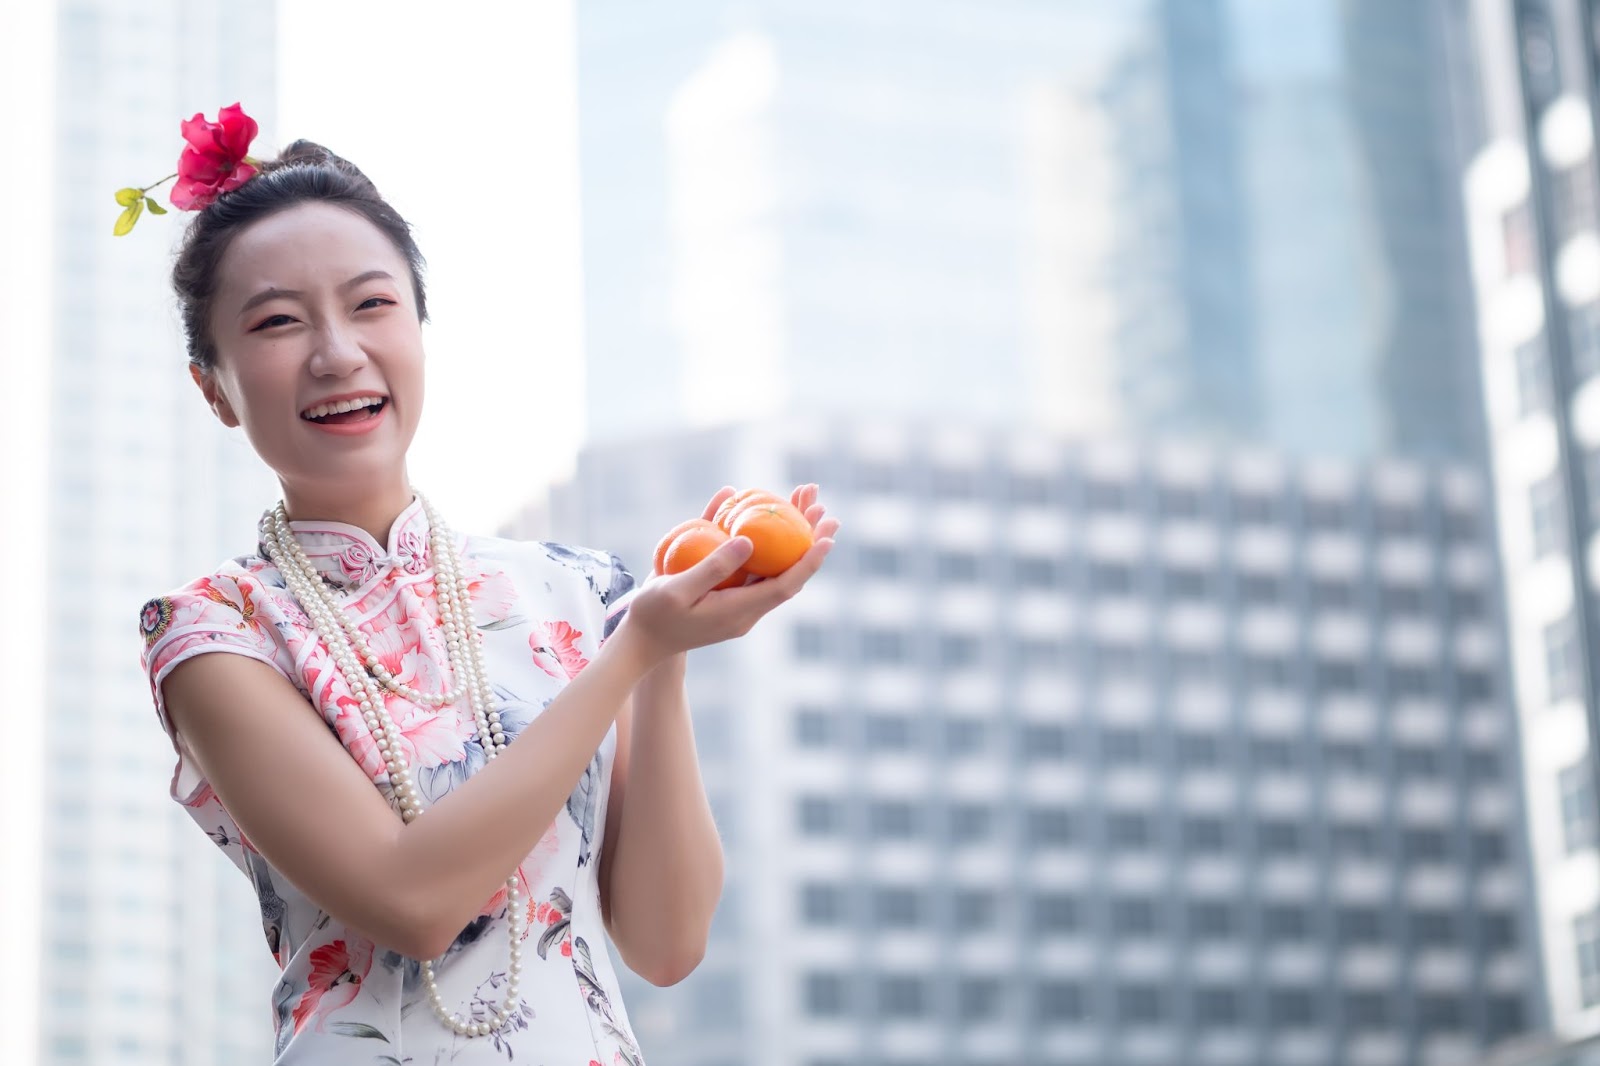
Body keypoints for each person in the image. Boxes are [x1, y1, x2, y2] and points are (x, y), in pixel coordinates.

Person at [134, 131, 837, 1064]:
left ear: (419, 330)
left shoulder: (575, 588)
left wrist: (660, 659)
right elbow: (414, 903)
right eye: (277, 323)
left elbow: (666, 945)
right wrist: (631, 651)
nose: (338, 353)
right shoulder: (216, 631)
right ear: (213, 389)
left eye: (372, 304)